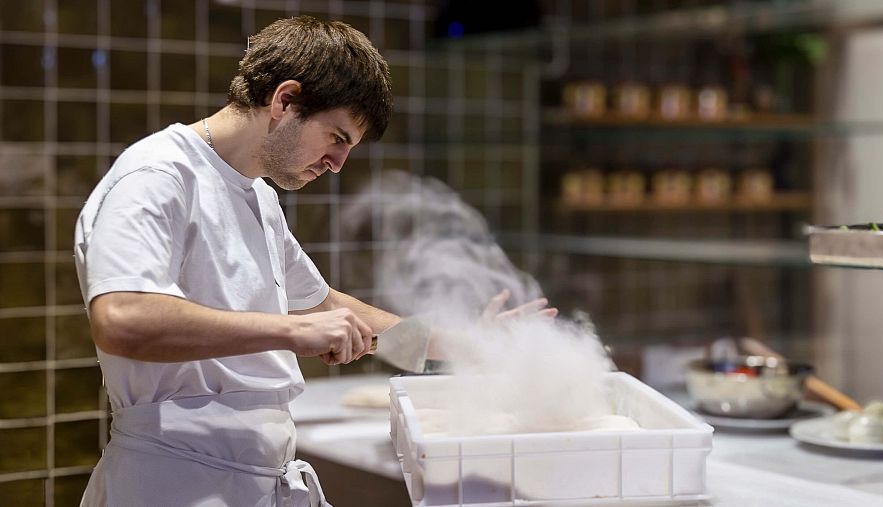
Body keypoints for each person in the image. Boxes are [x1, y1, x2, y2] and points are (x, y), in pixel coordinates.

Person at [74, 16, 555, 507]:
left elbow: (321, 307)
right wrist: (288, 332)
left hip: (252, 478)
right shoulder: (158, 177)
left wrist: (465, 346)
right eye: (337, 138)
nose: (337, 163)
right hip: (173, 483)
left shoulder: (257, 196)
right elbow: (122, 318)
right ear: (284, 100)